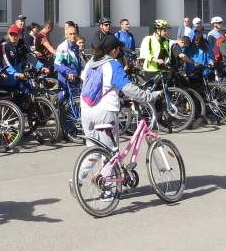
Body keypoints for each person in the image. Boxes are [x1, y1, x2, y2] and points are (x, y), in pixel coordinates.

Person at [77, 35, 160, 200]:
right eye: (118, 49)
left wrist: (119, 98)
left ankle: (77, 180)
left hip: (86, 111)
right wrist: (149, 96)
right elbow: (129, 88)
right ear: (114, 50)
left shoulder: (91, 62)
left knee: (93, 151)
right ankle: (107, 191)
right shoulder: (113, 64)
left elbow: (92, 84)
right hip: (104, 113)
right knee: (110, 154)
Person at [53, 23, 84, 136]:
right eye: (70, 34)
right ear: (66, 35)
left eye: (74, 34)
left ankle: (71, 129)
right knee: (63, 105)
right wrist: (68, 72)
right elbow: (57, 64)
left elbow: (80, 63)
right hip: (65, 80)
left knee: (73, 105)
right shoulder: (62, 47)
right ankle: (66, 130)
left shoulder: (76, 47)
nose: (72, 36)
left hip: (75, 80)